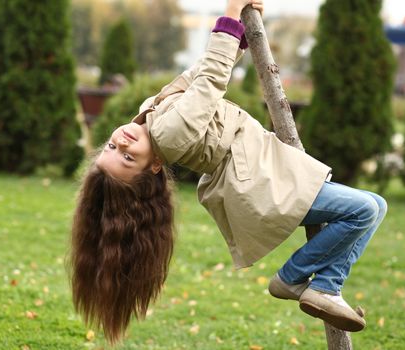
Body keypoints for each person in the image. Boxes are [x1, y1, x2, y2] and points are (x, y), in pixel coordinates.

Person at [69, 0, 387, 343]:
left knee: (377, 205)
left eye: (113, 149)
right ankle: (304, 280)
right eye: (128, 158)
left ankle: (319, 286)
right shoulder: (168, 135)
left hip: (264, 171)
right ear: (154, 166)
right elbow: (209, 81)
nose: (122, 142)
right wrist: (232, 10)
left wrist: (241, 37)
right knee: (363, 210)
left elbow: (199, 73)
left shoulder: (151, 114)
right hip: (262, 184)